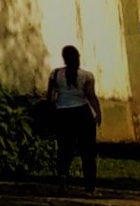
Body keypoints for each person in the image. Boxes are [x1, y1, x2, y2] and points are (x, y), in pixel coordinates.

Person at [45, 44, 104, 183]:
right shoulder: (87, 76)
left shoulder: (55, 74)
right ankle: (89, 183)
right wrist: (98, 112)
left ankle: (62, 176)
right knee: (88, 150)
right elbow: (90, 96)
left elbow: (50, 96)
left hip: (63, 113)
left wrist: (53, 111)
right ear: (78, 58)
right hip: (82, 112)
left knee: (64, 147)